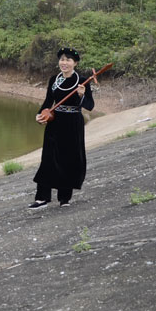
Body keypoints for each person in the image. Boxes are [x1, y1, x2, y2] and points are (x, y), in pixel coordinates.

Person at [29, 47, 95, 209]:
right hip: (55, 122)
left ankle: (64, 198)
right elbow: (47, 102)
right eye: (62, 59)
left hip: (73, 123)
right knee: (48, 157)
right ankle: (42, 197)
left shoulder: (82, 81)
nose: (64, 63)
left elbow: (90, 106)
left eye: (68, 60)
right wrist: (40, 115)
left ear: (75, 63)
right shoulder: (54, 79)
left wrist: (82, 95)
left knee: (69, 158)